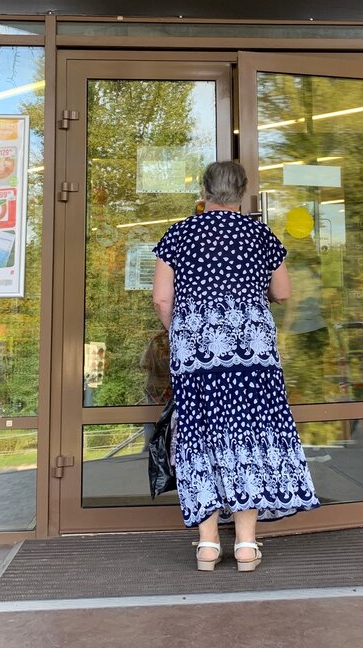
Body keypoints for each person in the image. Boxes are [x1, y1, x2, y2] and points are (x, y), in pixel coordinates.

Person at [152, 160, 320, 571]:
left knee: (199, 435)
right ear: (242, 193)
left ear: (204, 192)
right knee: (250, 434)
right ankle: (246, 544)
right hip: (252, 351)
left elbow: (161, 298)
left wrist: (184, 332)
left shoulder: (178, 234)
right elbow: (283, 292)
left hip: (197, 351)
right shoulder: (260, 235)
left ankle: (208, 545)